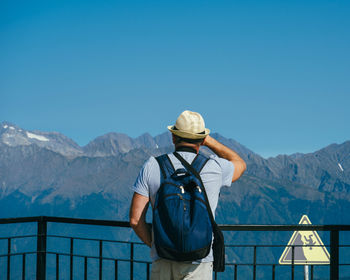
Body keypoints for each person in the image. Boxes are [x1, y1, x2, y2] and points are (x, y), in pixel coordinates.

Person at [129, 110, 246, 280]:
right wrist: (209, 142)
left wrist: (157, 244)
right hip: (199, 260)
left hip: (163, 259)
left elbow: (135, 220)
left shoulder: (152, 166)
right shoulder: (214, 168)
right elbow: (240, 164)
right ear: (201, 140)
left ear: (173, 137)